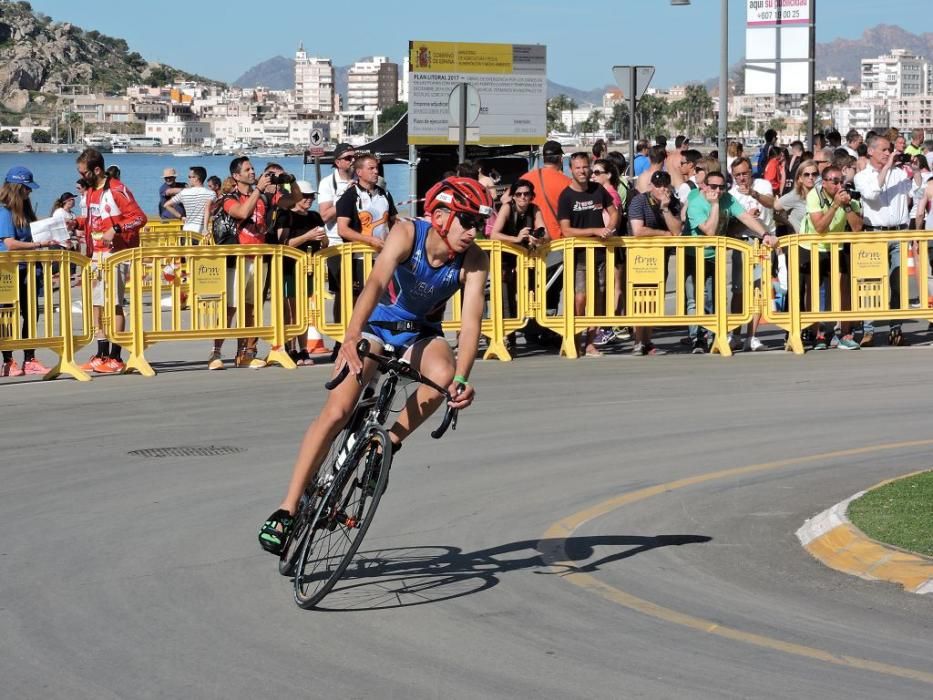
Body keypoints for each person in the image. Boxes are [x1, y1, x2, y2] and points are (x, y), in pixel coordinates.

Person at [258, 177, 492, 554]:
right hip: (376, 326)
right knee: (337, 411)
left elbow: (470, 324)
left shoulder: (475, 258)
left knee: (444, 375)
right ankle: (287, 508)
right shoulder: (406, 233)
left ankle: (386, 446)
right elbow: (374, 284)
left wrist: (463, 378)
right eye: (466, 221)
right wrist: (350, 338)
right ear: (441, 217)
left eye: (478, 224)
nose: (473, 232)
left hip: (420, 334)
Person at [683, 170, 774, 354]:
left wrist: (765, 234)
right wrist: (715, 204)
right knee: (695, 300)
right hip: (694, 256)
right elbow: (709, 231)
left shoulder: (728, 199)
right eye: (713, 186)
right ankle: (697, 338)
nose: (717, 190)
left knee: (714, 299)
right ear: (704, 186)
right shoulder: (696, 204)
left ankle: (713, 335)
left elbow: (746, 217)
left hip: (715, 256)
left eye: (721, 187)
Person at [75, 149, 147, 373]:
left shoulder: (117, 189)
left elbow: (139, 218)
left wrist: (116, 229)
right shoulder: (91, 192)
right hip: (96, 253)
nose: (81, 177)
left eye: (84, 172)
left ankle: (115, 356)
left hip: (116, 252)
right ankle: (101, 352)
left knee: (114, 301)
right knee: (97, 304)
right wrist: (75, 224)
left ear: (97, 170)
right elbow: (93, 220)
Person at [207, 156, 273, 370]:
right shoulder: (228, 197)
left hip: (259, 258)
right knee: (230, 308)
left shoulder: (261, 198)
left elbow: (291, 204)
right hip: (237, 259)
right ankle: (215, 353)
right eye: (247, 169)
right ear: (236, 176)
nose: (253, 172)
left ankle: (244, 353)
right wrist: (258, 190)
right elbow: (241, 212)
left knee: (251, 309)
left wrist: (284, 181)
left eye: (253, 168)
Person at [853, 134, 913, 346]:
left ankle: (895, 329)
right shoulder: (862, 176)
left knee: (897, 284)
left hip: (898, 233)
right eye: (885, 150)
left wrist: (914, 172)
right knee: (870, 283)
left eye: (890, 150)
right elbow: (871, 195)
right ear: (871, 151)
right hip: (874, 234)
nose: (889, 153)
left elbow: (917, 192)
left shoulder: (898, 173)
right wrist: (887, 168)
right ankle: (868, 330)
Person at [557, 152, 618, 357]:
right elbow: (566, 230)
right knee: (580, 298)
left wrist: (610, 227)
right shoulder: (566, 196)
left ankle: (591, 342)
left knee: (598, 297)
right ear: (571, 170)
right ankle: (574, 338)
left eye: (585, 167)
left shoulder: (598, 190)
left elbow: (614, 212)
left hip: (601, 253)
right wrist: (595, 231)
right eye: (578, 168)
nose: (582, 171)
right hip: (578, 255)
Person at [799, 164, 863, 351]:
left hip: (838, 244)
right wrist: (835, 205)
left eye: (841, 181)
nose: (839, 185)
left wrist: (848, 207)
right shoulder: (814, 195)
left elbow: (858, 228)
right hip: (812, 245)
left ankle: (844, 334)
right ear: (824, 182)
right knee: (813, 291)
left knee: (843, 289)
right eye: (834, 181)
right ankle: (818, 333)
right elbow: (819, 228)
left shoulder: (850, 195)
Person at [0, 167, 53, 376]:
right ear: (17, 188)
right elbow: (10, 243)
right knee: (8, 316)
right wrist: (39, 245)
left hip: (28, 269)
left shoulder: (25, 210)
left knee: (31, 313)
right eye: (27, 189)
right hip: (9, 271)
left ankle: (29, 358)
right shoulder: (4, 212)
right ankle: (8, 360)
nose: (30, 193)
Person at [272, 180, 328, 366]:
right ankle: (291, 348)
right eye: (306, 196)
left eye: (312, 196)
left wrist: (322, 239)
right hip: (288, 267)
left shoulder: (314, 216)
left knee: (304, 310)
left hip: (309, 267)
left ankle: (303, 348)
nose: (310, 200)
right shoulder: (285, 216)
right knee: (290, 309)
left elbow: (325, 242)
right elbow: (283, 243)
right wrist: (307, 236)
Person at [628, 171, 682, 355]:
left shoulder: (673, 202)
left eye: (665, 185)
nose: (661, 189)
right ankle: (637, 341)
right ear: (651, 186)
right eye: (658, 185)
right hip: (639, 256)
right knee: (639, 297)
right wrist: (663, 234)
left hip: (661, 257)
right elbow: (638, 230)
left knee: (655, 296)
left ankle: (648, 341)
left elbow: (677, 231)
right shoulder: (639, 201)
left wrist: (665, 208)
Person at [490, 179, 547, 346]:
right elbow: (494, 234)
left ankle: (532, 329)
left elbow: (545, 232)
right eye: (519, 194)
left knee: (530, 294)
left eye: (526, 194)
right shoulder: (507, 208)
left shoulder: (535, 209)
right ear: (513, 197)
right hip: (504, 259)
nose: (523, 197)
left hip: (525, 259)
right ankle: (507, 335)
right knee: (505, 296)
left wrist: (538, 237)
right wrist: (516, 238)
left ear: (532, 196)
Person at [316, 143, 356, 344]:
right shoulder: (328, 183)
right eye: (348, 158)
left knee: (361, 292)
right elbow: (324, 215)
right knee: (341, 292)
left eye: (354, 157)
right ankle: (341, 339)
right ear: (338, 162)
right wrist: (345, 198)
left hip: (360, 243)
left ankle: (360, 336)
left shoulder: (361, 180)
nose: (352, 161)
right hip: (336, 243)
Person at [163, 166, 216, 235]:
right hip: (200, 233)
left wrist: (181, 216)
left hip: (186, 232)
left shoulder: (184, 193)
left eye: (189, 177)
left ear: (196, 178)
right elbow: (209, 210)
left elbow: (167, 205)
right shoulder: (211, 194)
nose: (188, 179)